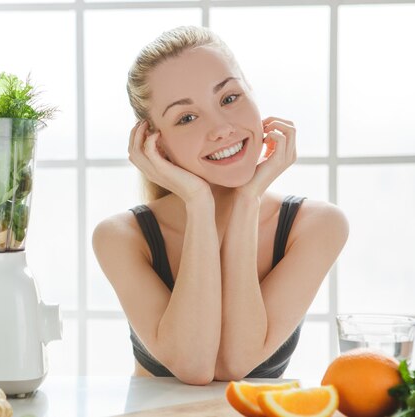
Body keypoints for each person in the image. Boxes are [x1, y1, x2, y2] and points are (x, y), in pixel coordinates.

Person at [92, 26, 348, 385]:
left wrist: (248, 199)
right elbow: (194, 365)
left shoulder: (317, 226)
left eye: (229, 98)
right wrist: (197, 203)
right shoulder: (121, 237)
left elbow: (235, 363)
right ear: (156, 144)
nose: (222, 128)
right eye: (186, 117)